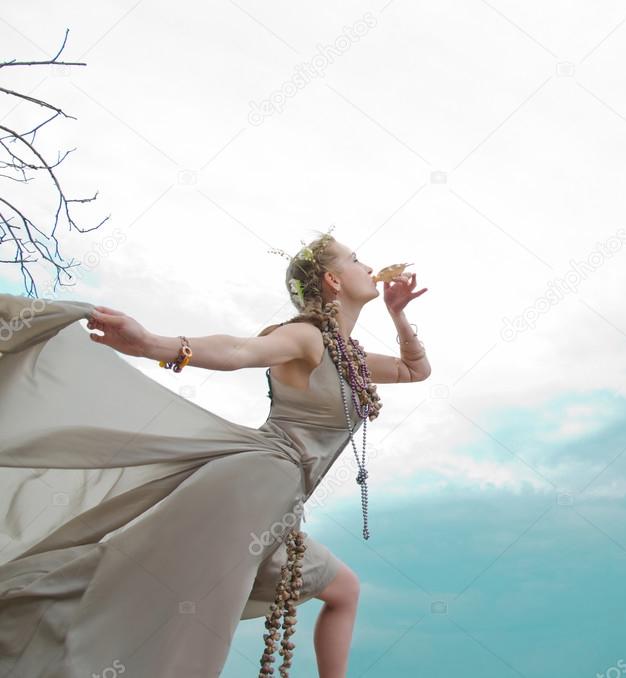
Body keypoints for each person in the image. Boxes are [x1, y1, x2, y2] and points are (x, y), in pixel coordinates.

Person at [0, 231, 430, 677]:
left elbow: (414, 370)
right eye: (355, 258)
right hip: (260, 479)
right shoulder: (307, 337)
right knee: (185, 617)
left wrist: (398, 315)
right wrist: (152, 343)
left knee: (345, 589)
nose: (368, 265)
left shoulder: (351, 359)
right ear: (332, 280)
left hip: (281, 503)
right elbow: (238, 351)